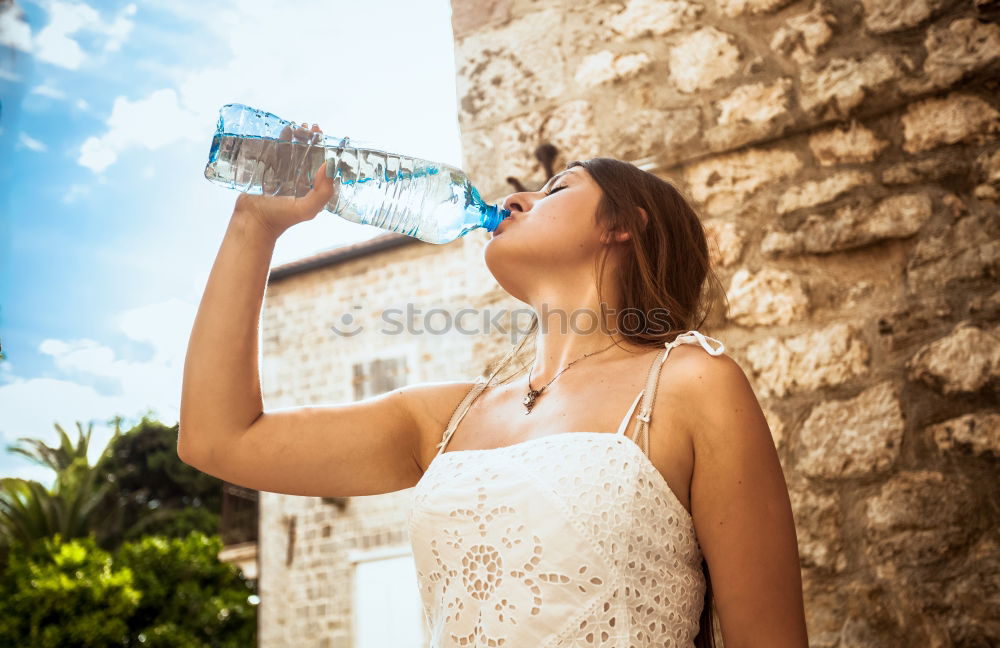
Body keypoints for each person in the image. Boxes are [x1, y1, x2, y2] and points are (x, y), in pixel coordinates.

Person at [179, 124, 809, 647]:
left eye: (556, 188)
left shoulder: (692, 382)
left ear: (624, 226)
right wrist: (252, 226)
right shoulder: (444, 419)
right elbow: (217, 440)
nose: (514, 201)